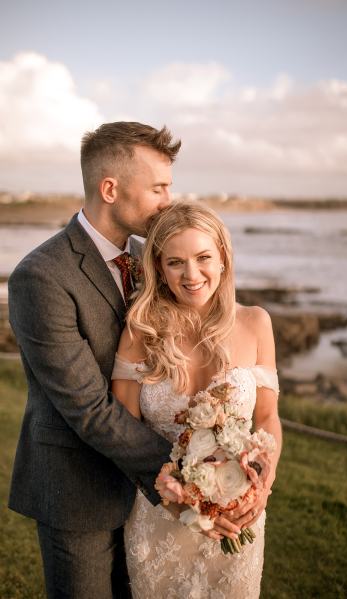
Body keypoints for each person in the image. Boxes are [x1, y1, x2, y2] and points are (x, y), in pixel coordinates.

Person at [8, 121, 183, 598]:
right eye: (158, 187)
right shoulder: (40, 277)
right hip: (77, 491)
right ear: (111, 188)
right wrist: (189, 465)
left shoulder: (156, 262)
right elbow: (87, 407)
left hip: (151, 496)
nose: (169, 200)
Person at [112, 201, 282, 598]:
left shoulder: (257, 323)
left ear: (222, 257)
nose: (191, 275)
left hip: (239, 515)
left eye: (203, 257)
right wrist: (177, 504)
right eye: (175, 262)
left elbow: (269, 416)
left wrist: (263, 485)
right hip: (160, 518)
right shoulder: (140, 332)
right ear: (158, 267)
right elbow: (122, 433)